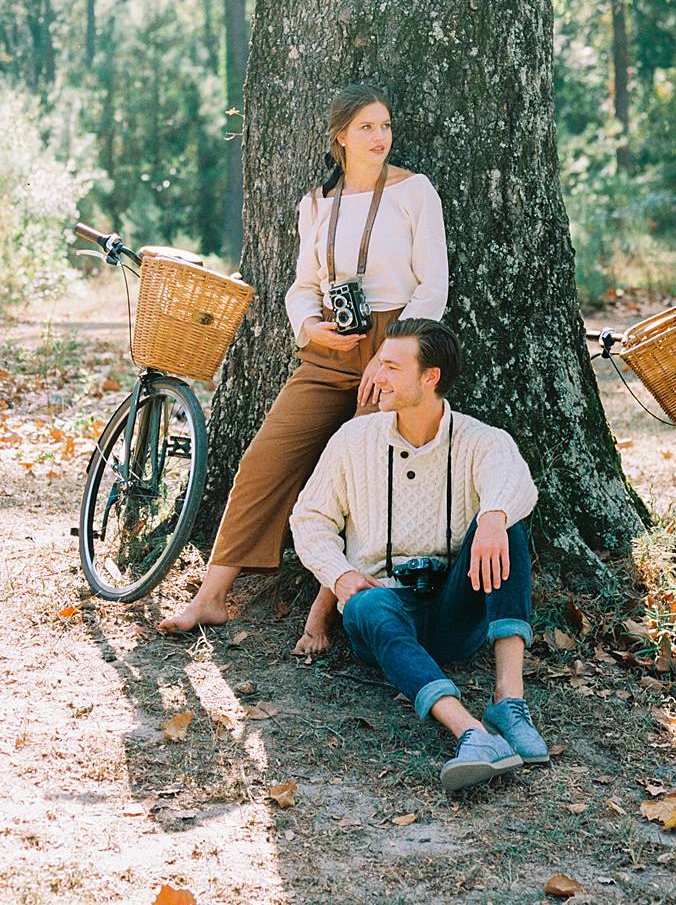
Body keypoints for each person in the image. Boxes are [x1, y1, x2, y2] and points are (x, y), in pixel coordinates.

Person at [159, 84, 448, 654]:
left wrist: (394, 358)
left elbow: (432, 283)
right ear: (340, 135)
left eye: (385, 126)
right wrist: (308, 327)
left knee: (365, 472)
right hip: (328, 348)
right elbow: (303, 286)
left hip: (395, 346)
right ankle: (212, 596)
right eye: (366, 127)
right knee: (266, 458)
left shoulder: (416, 192)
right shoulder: (317, 202)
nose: (380, 137)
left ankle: (326, 611)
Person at [290, 319, 549, 794]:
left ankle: (508, 701)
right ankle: (471, 733)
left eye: (391, 366)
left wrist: (492, 517)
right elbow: (309, 520)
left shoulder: (479, 439)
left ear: (430, 378)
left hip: (454, 611)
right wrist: (341, 575)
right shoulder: (354, 440)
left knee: (506, 524)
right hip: (383, 610)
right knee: (366, 605)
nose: (378, 376)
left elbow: (515, 482)